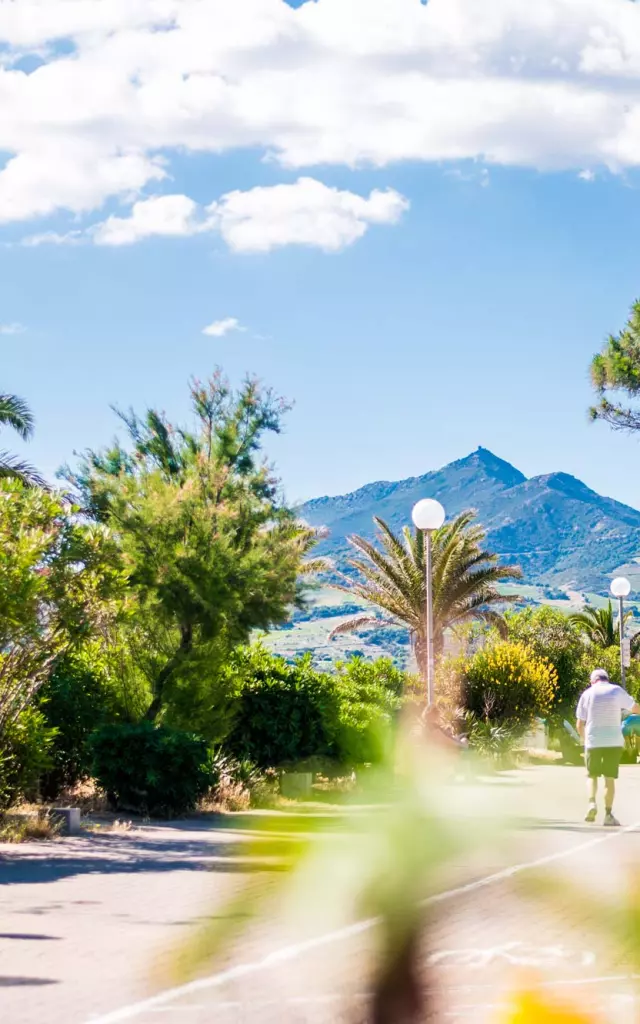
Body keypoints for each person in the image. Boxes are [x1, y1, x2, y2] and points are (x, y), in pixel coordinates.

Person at [576, 668, 639, 826]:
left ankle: (591, 803)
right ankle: (608, 815)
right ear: (607, 679)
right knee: (609, 779)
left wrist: (585, 740)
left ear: (593, 681)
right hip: (613, 741)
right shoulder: (616, 690)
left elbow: (579, 724)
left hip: (593, 741)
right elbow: (635, 708)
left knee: (592, 775)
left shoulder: (587, 694)